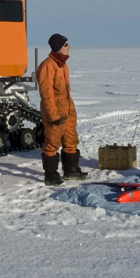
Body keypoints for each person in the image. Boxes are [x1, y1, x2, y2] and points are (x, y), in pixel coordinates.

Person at [36, 33, 89, 185]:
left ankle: (71, 170)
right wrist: (53, 116)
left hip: (68, 110)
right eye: (66, 45)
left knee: (71, 140)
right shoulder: (47, 66)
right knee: (52, 143)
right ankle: (51, 175)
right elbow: (46, 95)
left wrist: (71, 111)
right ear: (58, 47)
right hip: (55, 113)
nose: (69, 47)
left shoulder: (63, 65)